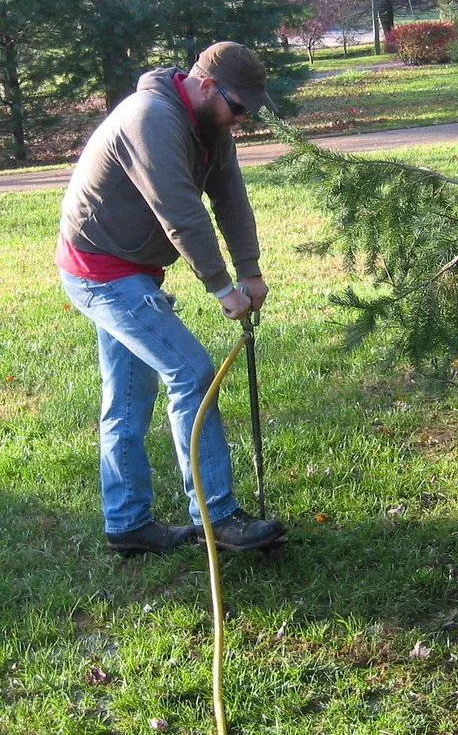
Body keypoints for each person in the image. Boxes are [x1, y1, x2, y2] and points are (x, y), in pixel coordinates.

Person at [57, 41, 287, 555]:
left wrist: (249, 270)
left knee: (127, 400)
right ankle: (219, 517)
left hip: (133, 268)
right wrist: (222, 288)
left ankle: (127, 525)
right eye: (239, 108)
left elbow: (229, 196)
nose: (242, 120)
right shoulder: (150, 118)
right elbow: (180, 212)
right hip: (100, 270)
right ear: (207, 87)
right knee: (191, 372)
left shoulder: (211, 125)